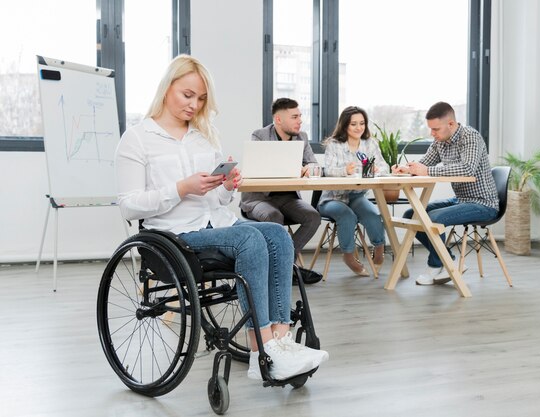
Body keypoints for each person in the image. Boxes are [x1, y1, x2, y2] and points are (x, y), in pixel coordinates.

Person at [115, 55, 328, 381]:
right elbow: (129, 206)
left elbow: (218, 199)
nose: (194, 105)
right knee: (251, 237)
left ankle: (281, 342)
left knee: (277, 233)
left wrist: (226, 186)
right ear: (167, 86)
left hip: (217, 222)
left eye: (200, 99)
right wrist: (181, 188)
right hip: (174, 234)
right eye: (188, 95)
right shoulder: (138, 138)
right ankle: (263, 351)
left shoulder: (202, 135)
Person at [394, 101, 499, 285]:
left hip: (483, 203)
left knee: (432, 218)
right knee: (411, 214)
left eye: (436, 129)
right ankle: (449, 261)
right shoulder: (440, 142)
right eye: (431, 129)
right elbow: (425, 164)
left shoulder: (470, 137)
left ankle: (435, 266)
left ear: (451, 124)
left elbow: (467, 169)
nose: (432, 134)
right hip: (460, 199)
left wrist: (426, 171)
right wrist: (407, 168)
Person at [240, 98, 322, 284]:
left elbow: (313, 163)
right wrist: (293, 169)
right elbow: (257, 167)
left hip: (288, 197)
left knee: (313, 217)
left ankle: (282, 265)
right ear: (278, 119)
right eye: (294, 117)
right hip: (259, 199)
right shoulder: (260, 135)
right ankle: (284, 269)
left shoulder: (301, 137)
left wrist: (308, 168)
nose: (299, 120)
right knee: (274, 217)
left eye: (300, 116)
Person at [318, 106, 388, 276]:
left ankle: (379, 250)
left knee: (373, 214)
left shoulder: (370, 143)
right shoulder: (334, 144)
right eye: (353, 124)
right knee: (347, 216)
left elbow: (383, 165)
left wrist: (378, 170)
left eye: (362, 123)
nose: (359, 128)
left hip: (357, 195)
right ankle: (348, 256)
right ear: (345, 125)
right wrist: (345, 170)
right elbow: (328, 170)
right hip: (332, 198)